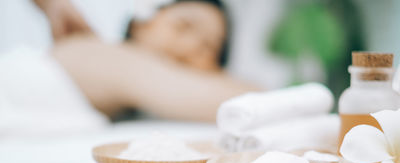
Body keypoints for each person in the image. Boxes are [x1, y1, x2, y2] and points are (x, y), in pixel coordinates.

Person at [34, 0, 261, 121]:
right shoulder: (107, 55)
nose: (189, 46)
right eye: (184, 26)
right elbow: (253, 101)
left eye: (208, 47)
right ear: (140, 24)